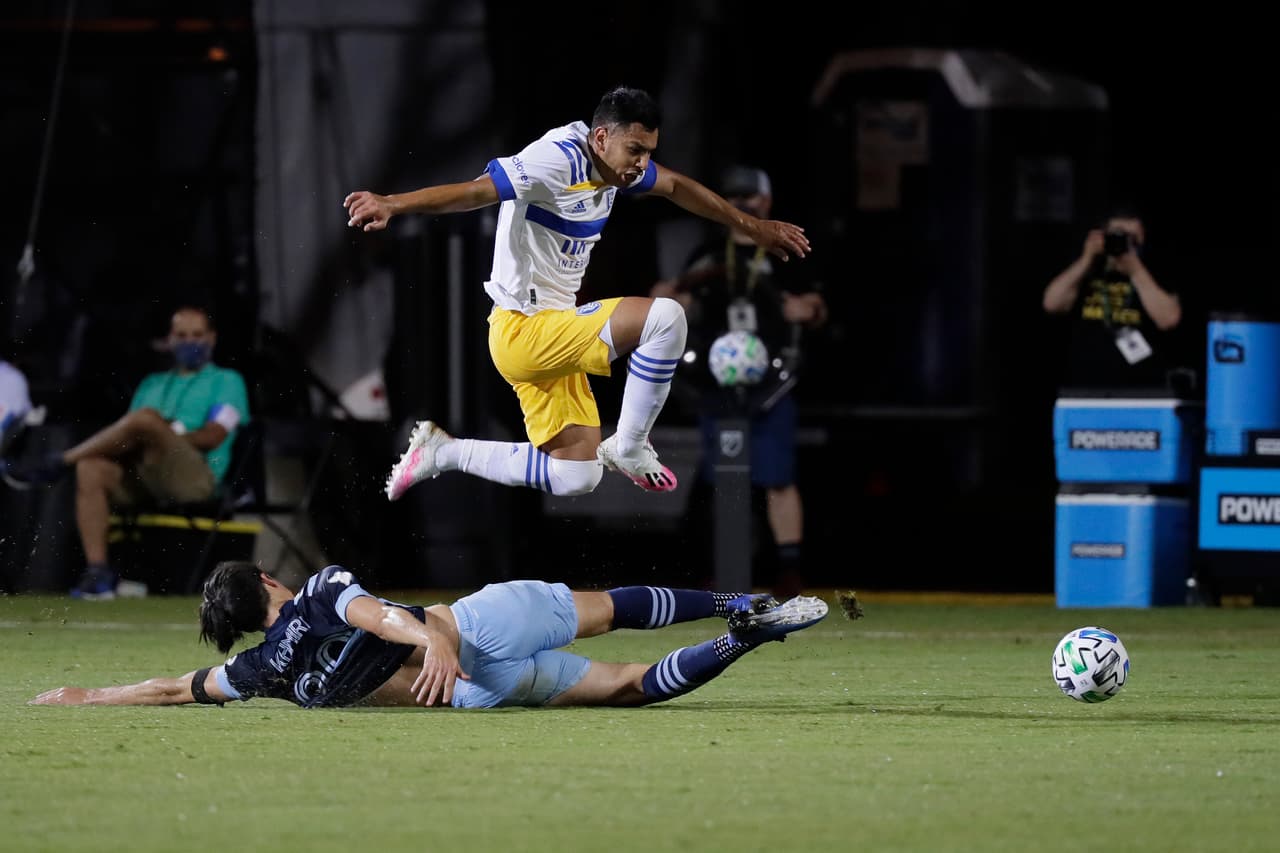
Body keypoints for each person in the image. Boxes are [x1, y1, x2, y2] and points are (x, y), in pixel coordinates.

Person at [343, 86, 810, 502]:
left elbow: (676, 186)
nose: (642, 164)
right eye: (635, 150)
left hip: (550, 334)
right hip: (524, 330)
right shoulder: (556, 158)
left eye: (648, 151)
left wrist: (753, 228)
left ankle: (444, 452)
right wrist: (392, 204)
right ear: (601, 138)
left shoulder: (616, 168)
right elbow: (475, 192)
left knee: (576, 476)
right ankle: (628, 444)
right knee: (665, 318)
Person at [29, 560, 830, 709]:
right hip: (470, 633)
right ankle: (741, 602)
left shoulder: (260, 671)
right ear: (269, 582)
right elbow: (386, 616)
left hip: (472, 692)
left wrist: (86, 693)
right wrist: (437, 637)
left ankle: (743, 637)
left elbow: (176, 687)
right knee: (611, 606)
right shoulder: (318, 591)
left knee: (627, 684)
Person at [651, 165, 828, 598]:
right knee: (720, 477)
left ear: (767, 203)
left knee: (778, 477)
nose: (744, 206)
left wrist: (805, 309)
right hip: (717, 388)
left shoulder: (786, 253)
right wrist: (673, 297)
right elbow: (668, 297)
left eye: (752, 199)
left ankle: (789, 569)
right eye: (735, 199)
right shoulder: (708, 256)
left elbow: (817, 307)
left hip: (771, 387)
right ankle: (722, 568)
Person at [0, 306, 251, 600]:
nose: (190, 342)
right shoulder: (152, 384)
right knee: (91, 468)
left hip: (195, 478)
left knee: (145, 419)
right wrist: (153, 432)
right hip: (147, 474)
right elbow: (128, 439)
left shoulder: (227, 381)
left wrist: (166, 433)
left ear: (212, 338)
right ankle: (98, 573)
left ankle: (59, 462)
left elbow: (213, 436)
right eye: (181, 335)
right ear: (169, 340)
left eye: (197, 335)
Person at [1042, 208, 1181, 390]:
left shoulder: (1152, 272)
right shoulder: (1085, 269)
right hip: (1084, 386)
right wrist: (1087, 258)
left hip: (1141, 387)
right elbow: (1051, 304)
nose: (1124, 244)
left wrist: (1136, 271)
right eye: (1117, 236)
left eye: (1132, 239)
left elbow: (1168, 319)